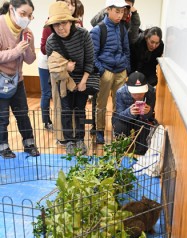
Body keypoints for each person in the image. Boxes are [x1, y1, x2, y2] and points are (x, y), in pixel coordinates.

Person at [45, 1, 94, 155]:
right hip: (63, 80)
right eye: (56, 24)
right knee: (65, 110)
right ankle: (69, 141)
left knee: (80, 110)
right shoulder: (51, 41)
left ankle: (80, 138)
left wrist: (84, 81)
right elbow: (52, 66)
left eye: (64, 23)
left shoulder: (83, 34)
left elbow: (90, 61)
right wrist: (65, 67)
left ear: (71, 21)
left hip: (82, 79)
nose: (61, 28)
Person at [0, 0, 39, 159]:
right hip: (1, 80)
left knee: (23, 113)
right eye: (23, 14)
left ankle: (29, 143)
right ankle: (3, 146)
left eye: (29, 15)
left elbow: (30, 59)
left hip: (18, 79)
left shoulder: (27, 31)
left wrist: (28, 46)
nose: (26, 18)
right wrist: (16, 51)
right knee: (2, 116)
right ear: (12, 9)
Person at [90, 0, 130, 144]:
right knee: (101, 104)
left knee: (119, 103)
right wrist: (102, 71)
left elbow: (126, 50)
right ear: (108, 9)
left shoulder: (122, 29)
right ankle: (99, 131)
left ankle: (117, 129)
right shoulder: (97, 30)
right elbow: (92, 55)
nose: (120, 15)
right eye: (117, 11)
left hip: (120, 70)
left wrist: (126, 67)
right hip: (105, 70)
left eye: (122, 12)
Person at [38, 0, 77, 132]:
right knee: (47, 93)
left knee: (65, 99)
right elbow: (43, 48)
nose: (68, 5)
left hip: (68, 68)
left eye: (71, 3)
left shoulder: (77, 26)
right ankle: (46, 121)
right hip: (47, 65)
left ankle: (67, 128)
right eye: (65, 2)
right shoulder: (48, 25)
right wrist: (61, 61)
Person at [112, 71, 156, 155]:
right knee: (120, 127)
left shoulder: (151, 92)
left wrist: (148, 111)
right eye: (135, 93)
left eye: (141, 92)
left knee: (145, 128)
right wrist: (129, 112)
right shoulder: (120, 92)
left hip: (141, 120)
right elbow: (119, 115)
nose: (138, 95)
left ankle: (140, 152)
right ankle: (123, 148)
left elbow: (150, 116)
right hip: (125, 120)